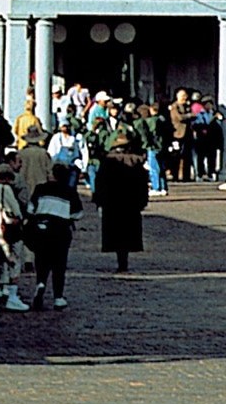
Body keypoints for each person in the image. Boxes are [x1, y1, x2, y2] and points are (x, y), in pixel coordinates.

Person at [28, 164, 84, 310]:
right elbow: (78, 214)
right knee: (59, 265)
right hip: (61, 232)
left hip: (42, 230)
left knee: (42, 261)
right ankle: (58, 297)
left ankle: (40, 284)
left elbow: (30, 209)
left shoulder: (40, 189)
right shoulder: (69, 192)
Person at [94, 134, 149, 273]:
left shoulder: (107, 161)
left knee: (116, 234)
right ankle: (123, 261)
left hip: (112, 204)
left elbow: (100, 183)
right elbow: (143, 184)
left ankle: (121, 261)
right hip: (130, 204)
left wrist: (99, 201)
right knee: (127, 234)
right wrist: (142, 201)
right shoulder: (136, 160)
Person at [0, 166, 29, 312]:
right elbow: (16, 212)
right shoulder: (6, 190)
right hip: (8, 233)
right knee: (13, 261)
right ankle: (12, 297)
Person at [46, 120, 83, 189]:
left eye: (66, 126)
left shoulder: (74, 138)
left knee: (71, 187)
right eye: (63, 126)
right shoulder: (56, 137)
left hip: (71, 166)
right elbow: (51, 152)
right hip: (59, 166)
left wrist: (81, 167)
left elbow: (77, 154)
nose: (65, 128)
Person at [168, 88, 194, 181]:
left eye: (186, 96)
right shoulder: (175, 106)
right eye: (183, 96)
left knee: (187, 155)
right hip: (178, 134)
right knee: (176, 156)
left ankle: (186, 176)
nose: (185, 98)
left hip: (187, 133)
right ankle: (175, 175)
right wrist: (190, 115)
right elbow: (179, 117)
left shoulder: (187, 106)